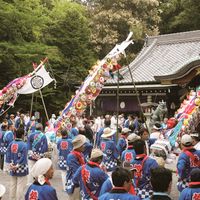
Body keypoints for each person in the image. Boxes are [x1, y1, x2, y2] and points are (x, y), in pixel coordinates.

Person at [6, 128, 28, 200]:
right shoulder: (24, 145)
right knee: (20, 186)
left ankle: (11, 198)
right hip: (21, 168)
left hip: (12, 167)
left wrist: (11, 164)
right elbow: (23, 157)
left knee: (13, 185)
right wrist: (17, 165)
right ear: (22, 135)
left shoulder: (11, 143)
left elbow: (8, 155)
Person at [66, 134, 86, 199]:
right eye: (83, 145)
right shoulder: (72, 156)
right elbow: (76, 172)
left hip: (80, 182)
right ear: (79, 146)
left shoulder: (80, 154)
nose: (84, 146)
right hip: (75, 184)